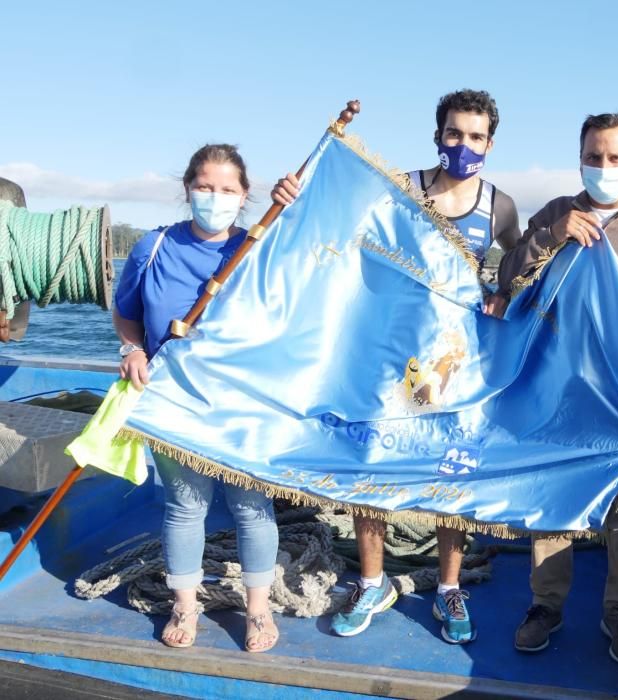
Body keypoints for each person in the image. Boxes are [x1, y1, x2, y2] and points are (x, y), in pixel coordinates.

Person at [273, 89, 521, 644]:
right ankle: (371, 581)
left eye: (475, 136)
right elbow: (336, 225)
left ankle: (449, 588)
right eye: (454, 133)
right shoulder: (402, 190)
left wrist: (502, 294)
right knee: (374, 464)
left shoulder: (499, 205)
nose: (463, 145)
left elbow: (518, 260)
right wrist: (295, 197)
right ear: (438, 136)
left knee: (454, 473)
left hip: (457, 366)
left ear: (490, 143)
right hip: (387, 356)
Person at [494, 112, 618, 666]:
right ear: (580, 157)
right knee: (552, 505)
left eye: (615, 157)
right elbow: (508, 277)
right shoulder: (557, 212)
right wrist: (553, 236)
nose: (604, 167)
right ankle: (545, 606)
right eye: (594, 156)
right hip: (554, 396)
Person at [114, 144, 280, 652]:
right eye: (205, 187)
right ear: (187, 189)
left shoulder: (259, 247)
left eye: (228, 189)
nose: (215, 197)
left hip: (241, 400)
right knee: (186, 508)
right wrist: (132, 349)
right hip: (171, 399)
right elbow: (127, 313)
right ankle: (185, 604)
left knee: (253, 506)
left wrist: (289, 208)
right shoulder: (154, 246)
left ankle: (258, 609)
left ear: (245, 196)